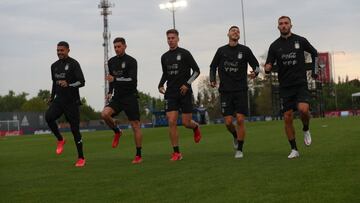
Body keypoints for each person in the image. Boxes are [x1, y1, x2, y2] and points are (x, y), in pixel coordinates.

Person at [265, 16, 318, 159]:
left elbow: (315, 53)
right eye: (281, 24)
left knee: (303, 110)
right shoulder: (274, 46)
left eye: (286, 23)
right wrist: (268, 67)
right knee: (287, 117)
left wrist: (315, 71)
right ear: (278, 27)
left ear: (291, 25)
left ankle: (306, 128)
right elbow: (268, 64)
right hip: (285, 87)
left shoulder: (300, 40)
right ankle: (294, 149)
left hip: (300, 83)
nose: (283, 26)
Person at [210, 25, 260, 159]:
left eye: (238, 31)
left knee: (240, 120)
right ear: (228, 34)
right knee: (227, 122)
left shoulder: (245, 50)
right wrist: (212, 79)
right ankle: (235, 136)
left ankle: (240, 149)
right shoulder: (221, 51)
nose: (236, 32)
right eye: (233, 31)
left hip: (241, 90)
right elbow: (213, 66)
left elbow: (256, 65)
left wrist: (255, 72)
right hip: (226, 91)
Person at [158, 29, 202, 161]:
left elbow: (196, 71)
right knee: (171, 121)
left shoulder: (185, 53)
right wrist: (160, 84)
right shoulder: (164, 57)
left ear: (178, 39)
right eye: (168, 38)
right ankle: (176, 152)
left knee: (186, 123)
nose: (170, 40)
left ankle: (195, 127)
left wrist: (187, 84)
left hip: (185, 92)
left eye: (173, 38)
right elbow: (165, 73)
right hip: (171, 93)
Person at [101, 37, 143, 164]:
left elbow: (132, 81)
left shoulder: (131, 61)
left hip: (130, 96)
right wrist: (109, 92)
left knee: (135, 125)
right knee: (104, 114)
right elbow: (111, 80)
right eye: (115, 47)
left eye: (119, 46)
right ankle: (117, 131)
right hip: (118, 97)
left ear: (125, 46)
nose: (117, 49)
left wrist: (115, 80)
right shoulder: (111, 62)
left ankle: (138, 155)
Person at [45, 41, 86, 167]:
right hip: (59, 100)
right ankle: (60, 139)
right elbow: (54, 83)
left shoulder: (74, 64)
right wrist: (51, 97)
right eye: (58, 50)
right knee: (48, 117)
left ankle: (81, 158)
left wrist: (69, 85)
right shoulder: (54, 66)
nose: (59, 53)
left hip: (72, 101)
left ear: (68, 50)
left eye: (62, 50)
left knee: (75, 130)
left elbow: (82, 82)